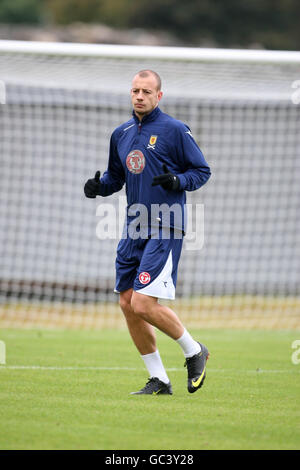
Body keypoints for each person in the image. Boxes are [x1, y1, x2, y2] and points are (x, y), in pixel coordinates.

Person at [84, 70, 211, 395]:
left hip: (166, 224)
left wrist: (177, 181)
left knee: (142, 302)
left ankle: (194, 350)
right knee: (127, 303)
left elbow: (201, 171)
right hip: (134, 226)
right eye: (135, 91)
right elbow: (116, 177)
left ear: (159, 96)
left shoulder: (175, 130)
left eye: (146, 91)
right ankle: (160, 379)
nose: (140, 96)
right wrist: (99, 188)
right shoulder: (121, 133)